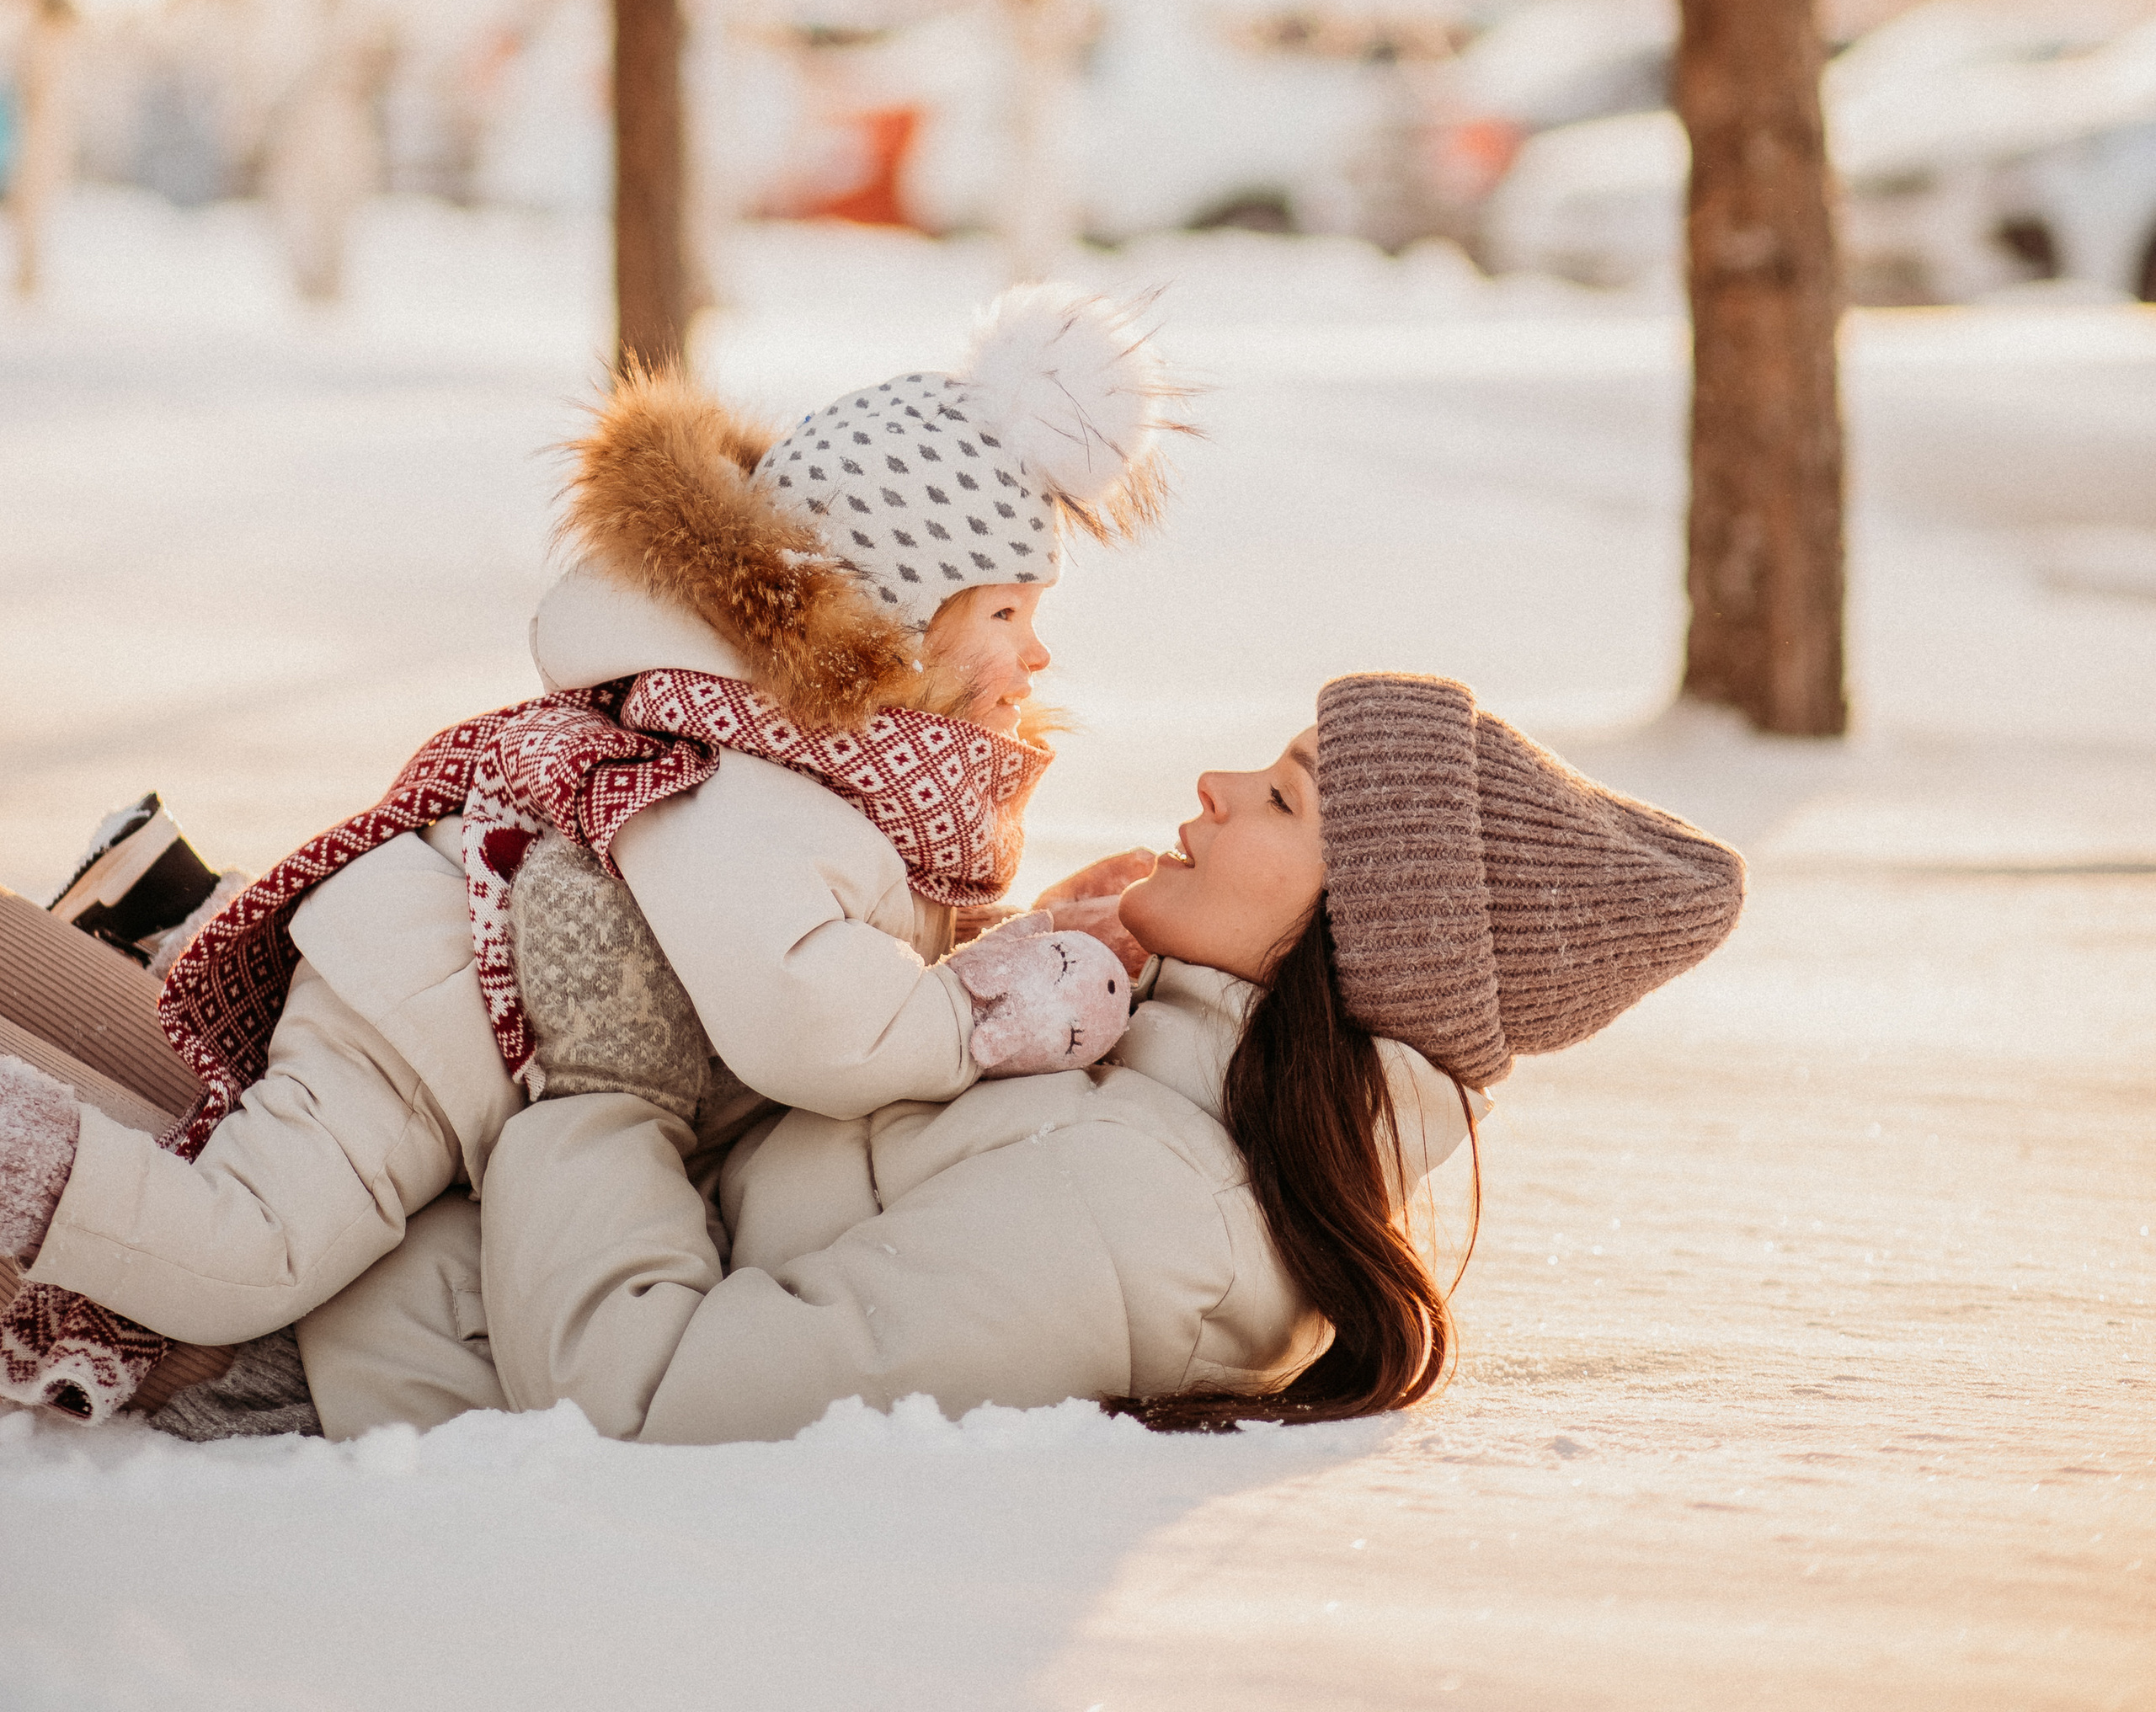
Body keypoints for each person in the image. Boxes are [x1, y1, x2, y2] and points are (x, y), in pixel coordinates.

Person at [0, 285, 1169, 1420]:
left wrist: (1019, 933)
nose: (1039, 655)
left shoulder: (825, 758)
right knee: (245, 1253)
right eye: (1008, 614)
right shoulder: (770, 781)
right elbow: (798, 1004)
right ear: (895, 623)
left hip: (444, 977)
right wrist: (971, 1024)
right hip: (427, 1025)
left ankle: (154, 917)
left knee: (205, 1144)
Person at [278, 671, 1745, 1443]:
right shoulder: (1129, 1068)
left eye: (1284, 803)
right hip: (372, 1216)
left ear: (1351, 943)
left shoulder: (1141, 1217)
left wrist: (598, 1090)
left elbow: (650, 1401)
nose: (1218, 787)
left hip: (342, 1351)